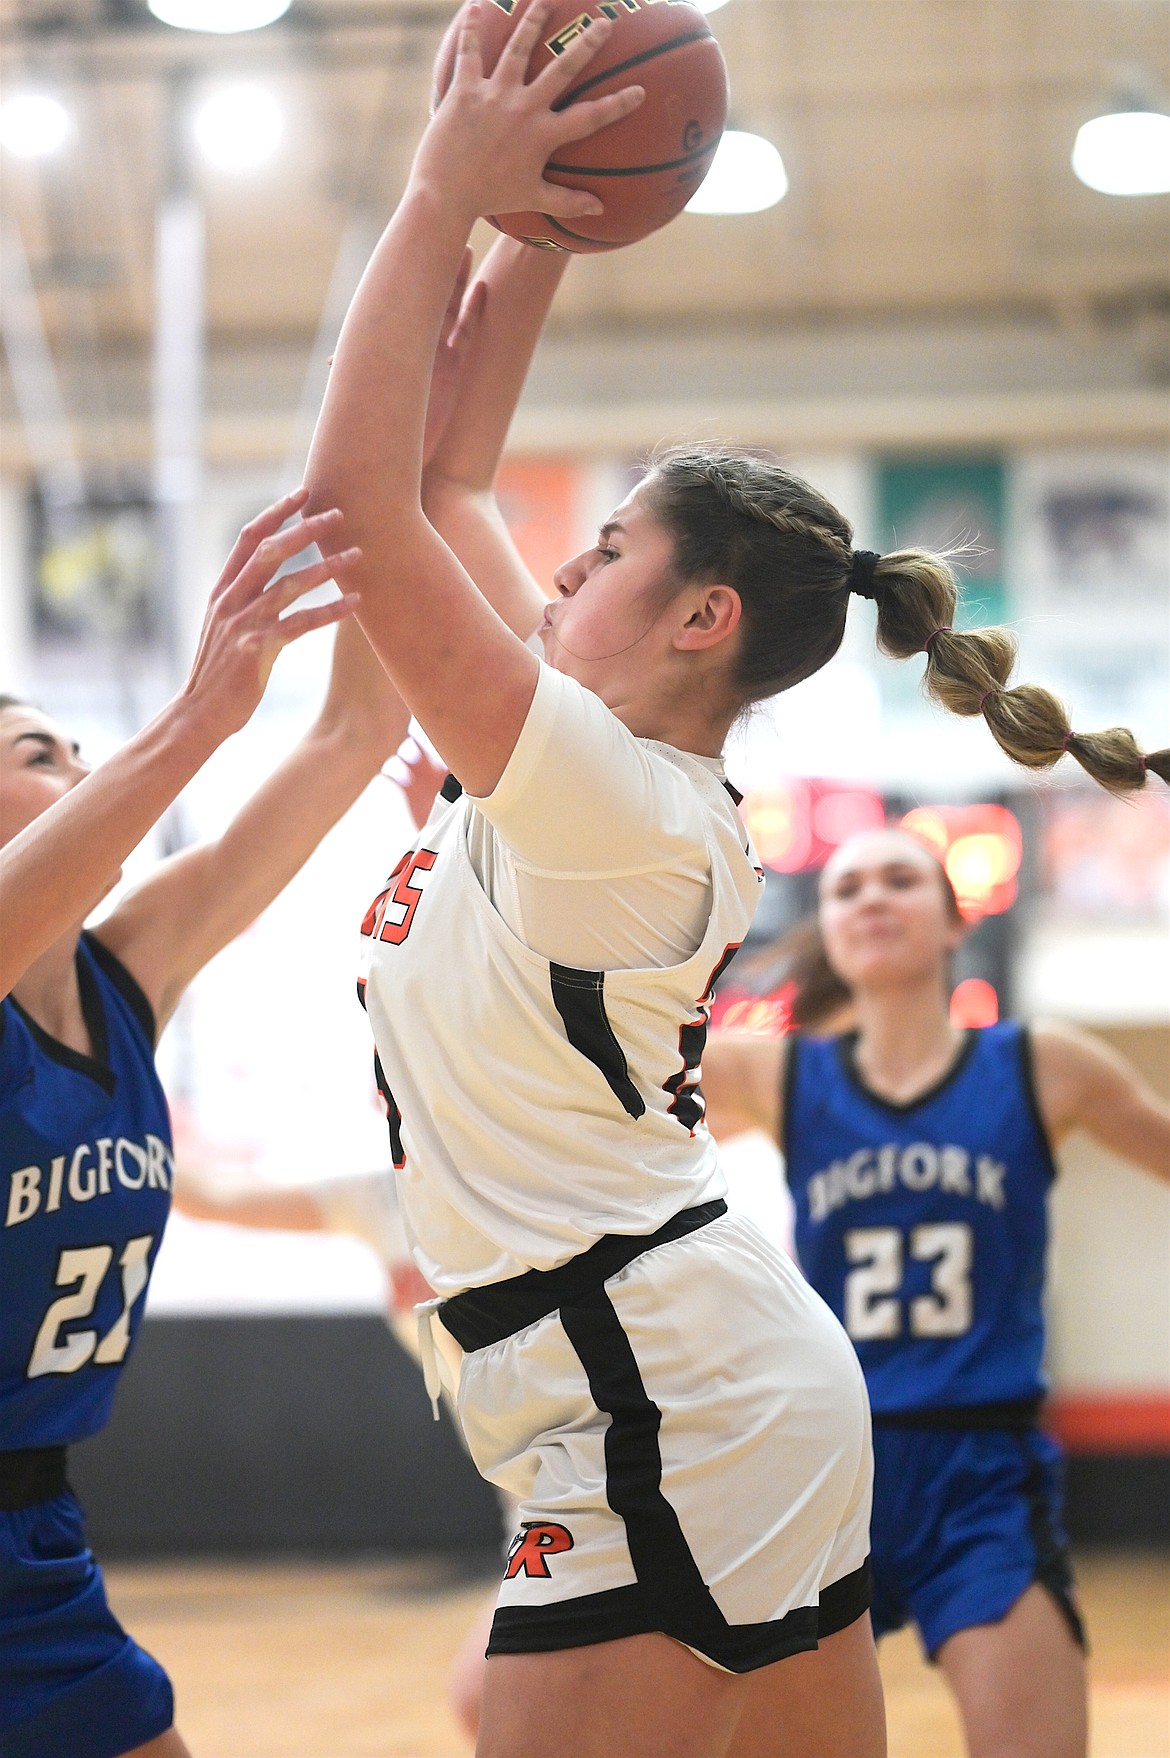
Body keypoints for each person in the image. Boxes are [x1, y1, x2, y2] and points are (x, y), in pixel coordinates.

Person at [302, 9, 1169, 1754]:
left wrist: (433, 196)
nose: (560, 560)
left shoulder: (618, 799)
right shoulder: (593, 771)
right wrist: (531, 221)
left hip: (659, 1386)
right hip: (665, 1366)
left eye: (608, 546)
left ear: (706, 619)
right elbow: (444, 474)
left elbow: (362, 505)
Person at [0, 493, 406, 1758]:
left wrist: (404, 486)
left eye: (74, 747)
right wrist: (195, 716)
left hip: (36, 1534)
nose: (74, 768)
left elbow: (348, 736)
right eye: (33, 753)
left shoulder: (127, 971)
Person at [701, 827, 1170, 1758]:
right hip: (832, 1473)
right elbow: (599, 1065)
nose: (872, 899)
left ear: (955, 923)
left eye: (900, 881)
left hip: (982, 1470)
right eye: (848, 889)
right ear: (828, 931)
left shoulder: (1043, 1065)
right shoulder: (777, 1071)